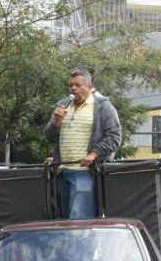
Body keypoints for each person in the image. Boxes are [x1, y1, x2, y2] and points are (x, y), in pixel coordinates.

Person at [44, 68, 122, 219]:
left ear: (90, 87)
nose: (73, 88)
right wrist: (56, 123)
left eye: (78, 85)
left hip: (84, 174)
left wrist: (94, 154)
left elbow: (114, 137)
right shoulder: (63, 106)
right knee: (61, 221)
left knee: (78, 222)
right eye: (71, 85)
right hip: (60, 173)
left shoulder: (103, 107)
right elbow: (50, 137)